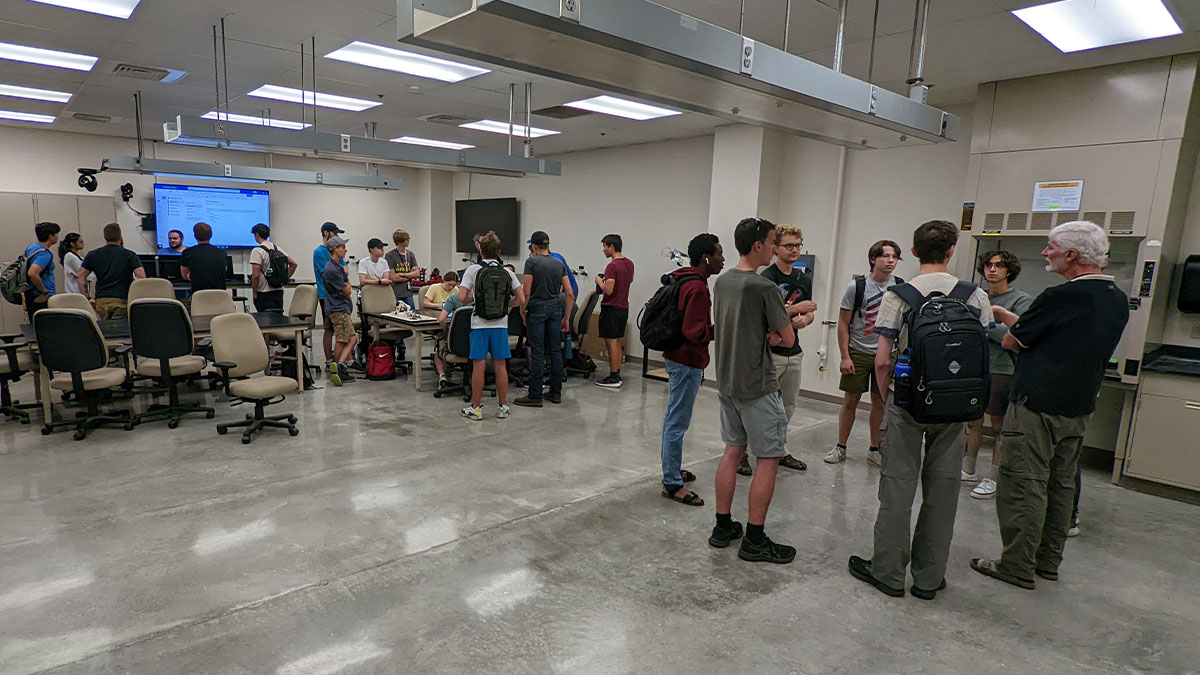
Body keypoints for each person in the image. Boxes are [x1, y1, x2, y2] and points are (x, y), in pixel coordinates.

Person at [971, 221, 1129, 591]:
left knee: (1024, 483)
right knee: (1061, 485)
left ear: (1071, 255)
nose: (1045, 253)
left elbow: (1013, 343)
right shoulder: (1116, 298)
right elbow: (1057, 338)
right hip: (1078, 406)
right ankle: (1046, 562)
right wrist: (1014, 320)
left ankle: (1016, 564)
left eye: (1051, 247)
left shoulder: (1059, 297)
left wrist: (1003, 325)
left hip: (1036, 406)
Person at [847, 220, 990, 600]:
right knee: (943, 491)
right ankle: (929, 578)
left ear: (912, 252)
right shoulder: (973, 295)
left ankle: (889, 573)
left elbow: (881, 360)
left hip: (907, 402)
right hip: (954, 406)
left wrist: (884, 398)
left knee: (897, 487)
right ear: (951, 251)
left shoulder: (900, 295)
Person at [710, 217, 796, 564]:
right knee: (768, 459)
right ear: (758, 245)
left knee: (732, 452)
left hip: (727, 382)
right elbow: (787, 339)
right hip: (757, 386)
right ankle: (755, 539)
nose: (776, 247)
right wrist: (790, 324)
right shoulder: (763, 287)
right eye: (773, 241)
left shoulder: (723, 281)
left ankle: (722, 527)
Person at [741, 224, 816, 476]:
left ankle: (778, 448)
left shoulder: (803, 278)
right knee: (758, 405)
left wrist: (804, 320)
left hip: (793, 350)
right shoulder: (766, 279)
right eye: (789, 245)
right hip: (769, 352)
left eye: (798, 245)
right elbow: (760, 315)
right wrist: (794, 311)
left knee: (788, 405)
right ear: (775, 248)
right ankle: (743, 452)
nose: (794, 250)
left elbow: (808, 311)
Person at [659, 233, 724, 507]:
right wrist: (720, 329)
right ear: (706, 257)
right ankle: (672, 482)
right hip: (687, 362)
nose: (723, 259)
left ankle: (673, 468)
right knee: (677, 422)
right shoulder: (697, 287)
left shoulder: (684, 278)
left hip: (678, 358)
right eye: (719, 254)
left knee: (675, 418)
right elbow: (693, 331)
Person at [962, 250, 1033, 499]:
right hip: (976, 366)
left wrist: (989, 328)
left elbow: (1014, 338)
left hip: (1003, 368)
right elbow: (968, 329)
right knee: (973, 420)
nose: (992, 270)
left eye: (999, 265)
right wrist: (995, 328)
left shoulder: (1021, 300)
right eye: (989, 265)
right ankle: (968, 467)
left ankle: (993, 475)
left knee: (1000, 424)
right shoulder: (975, 296)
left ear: (1009, 270)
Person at [827, 240, 903, 466]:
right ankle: (841, 446)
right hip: (858, 351)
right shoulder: (857, 287)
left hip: (886, 352)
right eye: (886, 256)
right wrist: (844, 355)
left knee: (880, 402)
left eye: (895, 257)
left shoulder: (899, 287)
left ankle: (874, 448)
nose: (891, 261)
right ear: (873, 259)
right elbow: (843, 323)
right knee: (851, 400)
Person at [458, 231, 524, 421]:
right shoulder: (508, 272)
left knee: (478, 366)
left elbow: (462, 297)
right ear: (499, 251)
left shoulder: (472, 271)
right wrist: (507, 305)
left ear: (480, 250)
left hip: (479, 325)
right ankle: (503, 406)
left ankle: (476, 408)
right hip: (500, 325)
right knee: (500, 365)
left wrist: (474, 298)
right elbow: (521, 298)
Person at [514, 231, 575, 408]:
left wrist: (522, 310)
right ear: (547, 245)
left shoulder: (531, 262)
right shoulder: (559, 263)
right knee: (555, 351)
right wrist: (567, 317)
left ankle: (535, 395)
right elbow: (569, 292)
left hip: (537, 309)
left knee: (538, 352)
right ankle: (555, 392)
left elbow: (526, 290)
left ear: (534, 246)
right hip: (556, 309)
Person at [79, 223, 146, 320]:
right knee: (120, 332)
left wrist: (87, 298)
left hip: (100, 300)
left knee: (104, 331)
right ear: (120, 237)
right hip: (122, 300)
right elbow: (141, 277)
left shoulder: (93, 254)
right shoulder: (129, 255)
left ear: (105, 237)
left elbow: (81, 276)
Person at [594, 234, 634, 389]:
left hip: (612, 308)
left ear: (611, 247)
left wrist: (599, 282)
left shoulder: (612, 266)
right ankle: (616, 373)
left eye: (604, 246)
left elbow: (608, 290)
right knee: (616, 342)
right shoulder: (629, 264)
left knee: (611, 343)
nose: (603, 250)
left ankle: (613, 377)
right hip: (623, 307)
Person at [322, 236, 358, 387]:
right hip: (338, 310)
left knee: (353, 338)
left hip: (342, 307)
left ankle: (340, 365)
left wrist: (346, 287)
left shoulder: (338, 267)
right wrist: (346, 288)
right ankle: (337, 368)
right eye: (343, 247)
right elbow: (348, 290)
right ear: (335, 249)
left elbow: (348, 285)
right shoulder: (331, 270)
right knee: (342, 340)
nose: (345, 250)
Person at [314, 222, 346, 369]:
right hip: (326, 295)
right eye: (335, 233)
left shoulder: (339, 251)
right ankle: (328, 360)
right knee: (329, 328)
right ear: (326, 233)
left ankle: (343, 359)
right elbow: (328, 274)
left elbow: (345, 271)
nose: (337, 236)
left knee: (343, 328)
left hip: (340, 292)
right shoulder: (319, 252)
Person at [248, 223, 297, 313]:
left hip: (263, 293)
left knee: (264, 323)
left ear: (257, 234)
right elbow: (294, 264)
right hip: (278, 292)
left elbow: (255, 275)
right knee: (278, 321)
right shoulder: (276, 248)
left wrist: (254, 293)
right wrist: (284, 279)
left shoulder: (257, 251)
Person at [22, 221, 60, 320]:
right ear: (50, 236)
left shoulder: (31, 248)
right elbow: (32, 273)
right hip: (42, 298)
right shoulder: (44, 254)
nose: (57, 236)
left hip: (31, 294)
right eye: (56, 234)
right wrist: (44, 292)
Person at [180, 222, 229, 293]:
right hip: (219, 295)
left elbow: (185, 276)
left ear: (195, 236)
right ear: (211, 235)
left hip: (198, 295)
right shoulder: (222, 253)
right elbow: (223, 272)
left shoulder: (187, 253)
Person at [385, 229, 421, 310]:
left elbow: (417, 273)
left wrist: (404, 274)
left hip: (408, 293)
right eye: (407, 239)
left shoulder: (410, 254)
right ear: (400, 241)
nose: (409, 241)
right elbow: (393, 277)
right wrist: (410, 275)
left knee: (411, 313)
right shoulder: (390, 255)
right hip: (395, 293)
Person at [58, 231, 93, 296]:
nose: (83, 244)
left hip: (80, 292)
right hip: (74, 292)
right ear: (72, 244)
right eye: (80, 242)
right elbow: (86, 275)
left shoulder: (79, 257)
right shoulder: (70, 257)